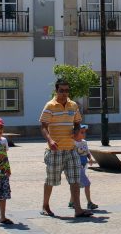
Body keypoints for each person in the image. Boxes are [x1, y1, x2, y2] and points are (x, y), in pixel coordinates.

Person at [39, 79, 93, 218]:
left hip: (71, 149)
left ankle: (78, 209)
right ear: (56, 91)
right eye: (61, 90)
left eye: (67, 90)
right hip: (55, 150)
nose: (64, 93)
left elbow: (77, 122)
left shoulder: (73, 105)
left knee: (75, 180)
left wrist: (76, 131)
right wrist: (50, 140)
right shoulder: (50, 106)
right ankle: (45, 206)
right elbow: (43, 126)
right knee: (51, 180)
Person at [68, 124, 98, 210]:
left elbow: (87, 152)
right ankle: (89, 203)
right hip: (77, 167)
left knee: (76, 185)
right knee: (87, 184)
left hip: (84, 166)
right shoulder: (73, 143)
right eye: (82, 132)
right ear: (75, 134)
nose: (84, 134)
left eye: (84, 132)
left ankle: (71, 202)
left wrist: (90, 158)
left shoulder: (84, 142)